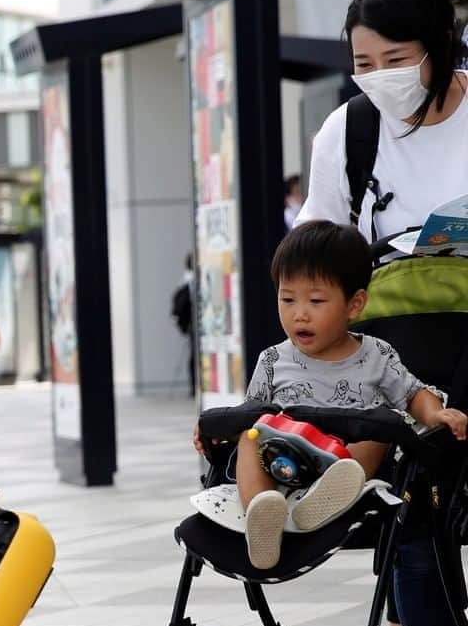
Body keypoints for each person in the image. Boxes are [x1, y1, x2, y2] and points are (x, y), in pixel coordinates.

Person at [296, 0, 468, 626]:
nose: (377, 79)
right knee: (415, 526)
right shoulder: (350, 133)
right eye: (362, 63)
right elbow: (317, 255)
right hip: (399, 366)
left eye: (392, 57)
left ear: (438, 47)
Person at [194, 221, 465, 569]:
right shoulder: (273, 360)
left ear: (355, 305)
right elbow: (250, 413)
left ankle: (326, 501)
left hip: (343, 462)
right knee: (251, 436)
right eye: (287, 298)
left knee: (380, 432)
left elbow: (412, 394)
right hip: (281, 461)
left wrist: (438, 414)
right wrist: (214, 431)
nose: (299, 313)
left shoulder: (376, 355)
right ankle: (261, 511)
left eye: (316, 301)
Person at [171, 253, 195, 396]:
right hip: (193, 325)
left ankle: (193, 387)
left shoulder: (185, 281)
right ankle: (194, 386)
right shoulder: (191, 281)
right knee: (193, 357)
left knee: (192, 357)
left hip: (190, 326)